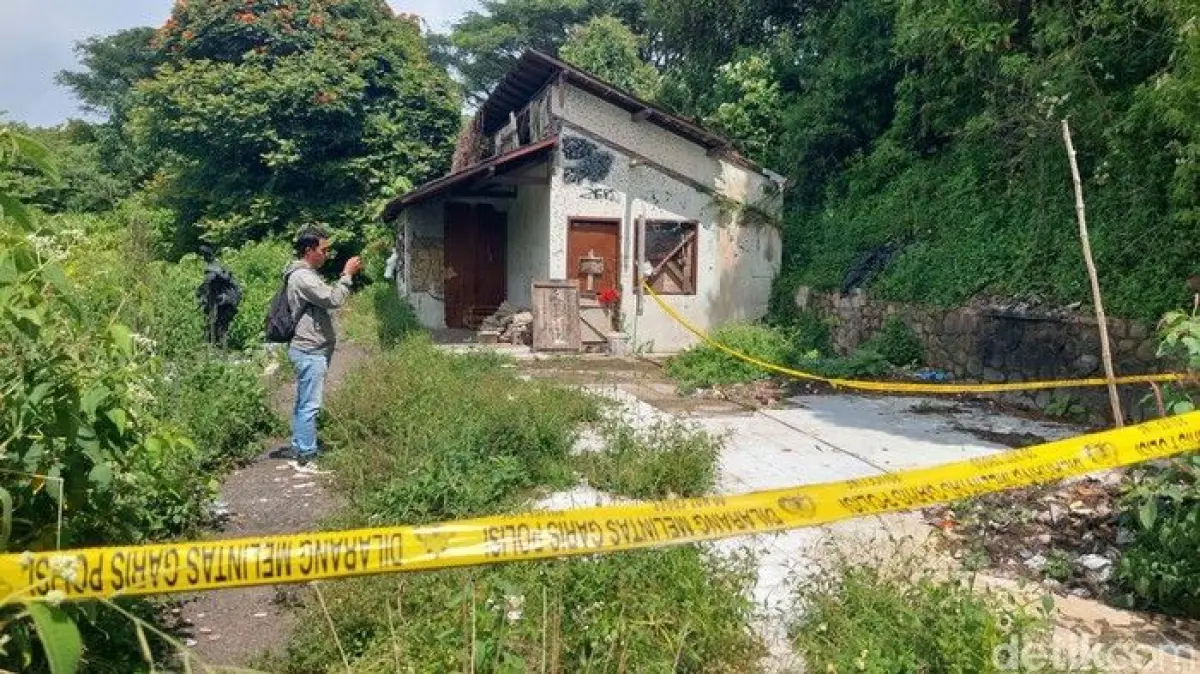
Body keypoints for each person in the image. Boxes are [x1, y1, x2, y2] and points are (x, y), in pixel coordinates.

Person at [283, 227, 362, 469]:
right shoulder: (303, 277)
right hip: (310, 349)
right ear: (309, 251)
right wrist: (347, 275)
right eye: (323, 250)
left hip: (308, 348)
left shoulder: (304, 274)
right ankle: (307, 456)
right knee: (310, 404)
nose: (327, 254)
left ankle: (299, 446)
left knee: (303, 401)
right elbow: (333, 299)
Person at [195, 245, 242, 348]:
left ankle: (220, 348)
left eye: (205, 256)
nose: (204, 258)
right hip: (220, 300)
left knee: (220, 325)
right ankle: (217, 347)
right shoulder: (217, 267)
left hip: (223, 300)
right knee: (216, 323)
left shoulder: (215, 269)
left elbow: (211, 282)